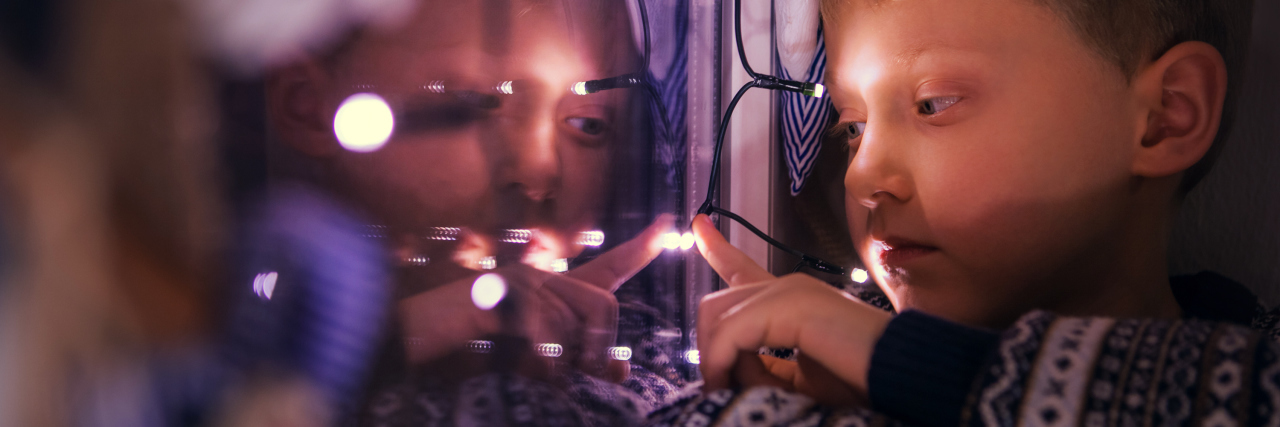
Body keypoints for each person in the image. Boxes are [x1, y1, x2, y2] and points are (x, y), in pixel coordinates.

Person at [648, 0, 1267, 425]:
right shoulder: (801, 389)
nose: (861, 176)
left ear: (1164, 116)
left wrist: (903, 363)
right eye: (853, 128)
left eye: (934, 104)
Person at [264, 0, 683, 423]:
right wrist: (390, 342)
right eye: (477, 102)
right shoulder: (236, 325)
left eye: (588, 124)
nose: (539, 169)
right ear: (309, 106)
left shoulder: (643, 361)